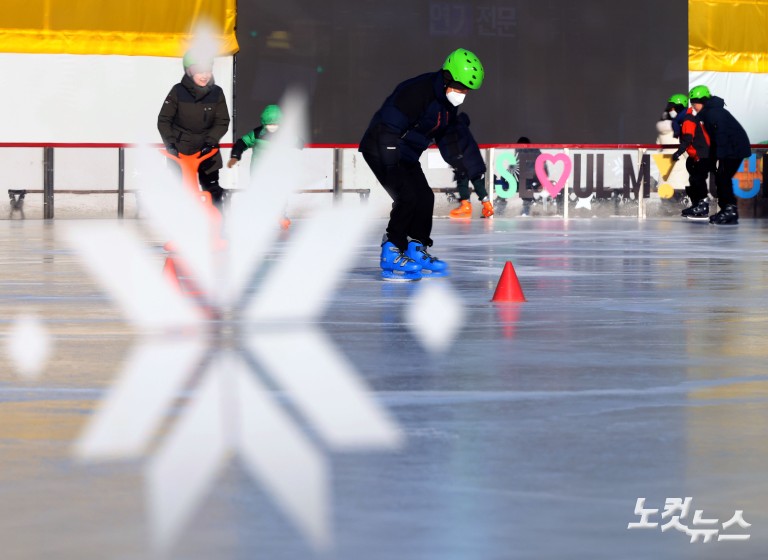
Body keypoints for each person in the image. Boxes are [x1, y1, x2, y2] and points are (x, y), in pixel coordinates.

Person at [359, 48, 485, 280]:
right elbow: (388, 125)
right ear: (447, 77)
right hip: (381, 148)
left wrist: (460, 163)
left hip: (405, 153)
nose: (462, 93)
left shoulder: (447, 103)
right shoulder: (417, 91)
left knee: (425, 197)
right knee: (406, 196)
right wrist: (391, 165)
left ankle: (416, 249)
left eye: (466, 89)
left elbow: (447, 135)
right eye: (459, 86)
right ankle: (391, 251)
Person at [157, 50, 230, 208]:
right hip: (181, 150)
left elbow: (222, 120)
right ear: (189, 71)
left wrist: (211, 142)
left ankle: (216, 220)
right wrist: (170, 144)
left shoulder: (217, 93)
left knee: (211, 189)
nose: (205, 75)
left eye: (208, 71)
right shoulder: (177, 91)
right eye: (199, 71)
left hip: (207, 151)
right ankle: (180, 222)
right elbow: (164, 120)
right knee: (180, 189)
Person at [689, 85, 751, 225]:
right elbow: (715, 139)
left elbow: (721, 135)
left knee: (723, 178)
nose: (693, 107)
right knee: (722, 178)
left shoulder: (713, 113)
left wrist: (720, 157)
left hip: (734, 150)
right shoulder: (710, 112)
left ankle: (729, 210)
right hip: (731, 149)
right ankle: (728, 209)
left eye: (694, 104)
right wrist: (713, 159)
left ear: (702, 101)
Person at [227, 104, 291, 228]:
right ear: (264, 123)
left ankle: (281, 215)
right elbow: (242, 143)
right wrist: (235, 155)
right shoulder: (256, 134)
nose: (272, 127)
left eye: (275, 124)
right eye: (269, 124)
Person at [667, 93, 712, 220]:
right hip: (697, 156)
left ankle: (703, 206)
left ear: (679, 107)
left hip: (702, 155)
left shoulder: (688, 119)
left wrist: (677, 153)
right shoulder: (684, 120)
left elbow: (687, 140)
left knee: (698, 180)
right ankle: (697, 205)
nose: (671, 112)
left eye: (673, 108)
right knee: (693, 181)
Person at [444, 113, 493, 219]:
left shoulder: (456, 126)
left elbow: (457, 143)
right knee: (476, 181)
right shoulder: (465, 129)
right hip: (474, 158)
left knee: (462, 179)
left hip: (464, 159)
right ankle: (487, 205)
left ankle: (466, 205)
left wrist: (455, 157)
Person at [514, 137, 547, 217]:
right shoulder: (535, 150)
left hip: (531, 177)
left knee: (525, 184)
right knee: (525, 184)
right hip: (535, 177)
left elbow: (518, 166)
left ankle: (527, 207)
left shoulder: (521, 151)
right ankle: (528, 206)